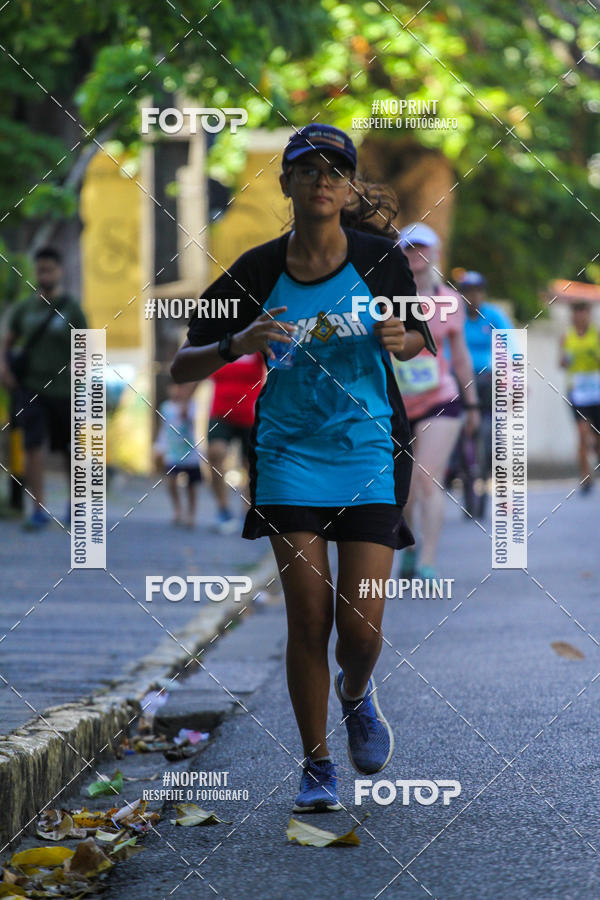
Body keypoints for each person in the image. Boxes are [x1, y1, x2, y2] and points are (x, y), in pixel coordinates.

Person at [171, 123, 436, 813]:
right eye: (307, 170)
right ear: (286, 183)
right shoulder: (256, 271)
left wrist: (396, 335)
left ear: (348, 187)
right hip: (288, 457)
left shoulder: (381, 259)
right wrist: (240, 340)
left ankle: (357, 694)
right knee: (308, 618)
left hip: (368, 450)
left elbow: (417, 345)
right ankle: (317, 764)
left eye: (334, 171)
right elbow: (183, 364)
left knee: (362, 631)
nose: (321, 181)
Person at [393, 224, 480, 581]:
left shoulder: (450, 301)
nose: (415, 255)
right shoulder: (385, 298)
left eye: (422, 248)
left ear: (435, 253)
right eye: (408, 249)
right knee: (405, 489)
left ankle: (428, 561)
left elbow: (459, 357)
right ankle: (411, 549)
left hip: (440, 400)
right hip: (396, 404)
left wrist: (472, 404)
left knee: (427, 479)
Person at [0, 246, 87, 529]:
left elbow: (85, 349)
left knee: (69, 450)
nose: (45, 275)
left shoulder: (72, 308)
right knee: (33, 446)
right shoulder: (26, 308)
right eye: (40, 270)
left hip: (65, 390)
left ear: (60, 271)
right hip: (31, 388)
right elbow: (8, 341)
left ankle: (74, 507)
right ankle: (38, 508)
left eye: (49, 269)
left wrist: (81, 381)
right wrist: (4, 369)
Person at [207, 352, 265, 533]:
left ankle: (247, 512)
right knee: (215, 453)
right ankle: (223, 509)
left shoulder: (257, 343)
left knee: (251, 465)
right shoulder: (220, 343)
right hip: (220, 412)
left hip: (250, 415)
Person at [559, 301, 600, 492]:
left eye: (584, 313)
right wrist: (566, 360)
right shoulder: (566, 336)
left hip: (597, 392)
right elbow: (561, 362)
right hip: (577, 393)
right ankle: (585, 476)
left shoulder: (596, 335)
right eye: (577, 313)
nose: (580, 317)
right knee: (582, 433)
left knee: (596, 437)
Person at [154, 381, 202, 527]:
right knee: (171, 480)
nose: (178, 390)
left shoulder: (192, 404)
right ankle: (177, 509)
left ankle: (191, 514)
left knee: (191, 485)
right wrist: (158, 446)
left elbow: (192, 421)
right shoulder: (166, 407)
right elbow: (163, 427)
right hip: (172, 451)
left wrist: (186, 408)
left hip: (190, 451)